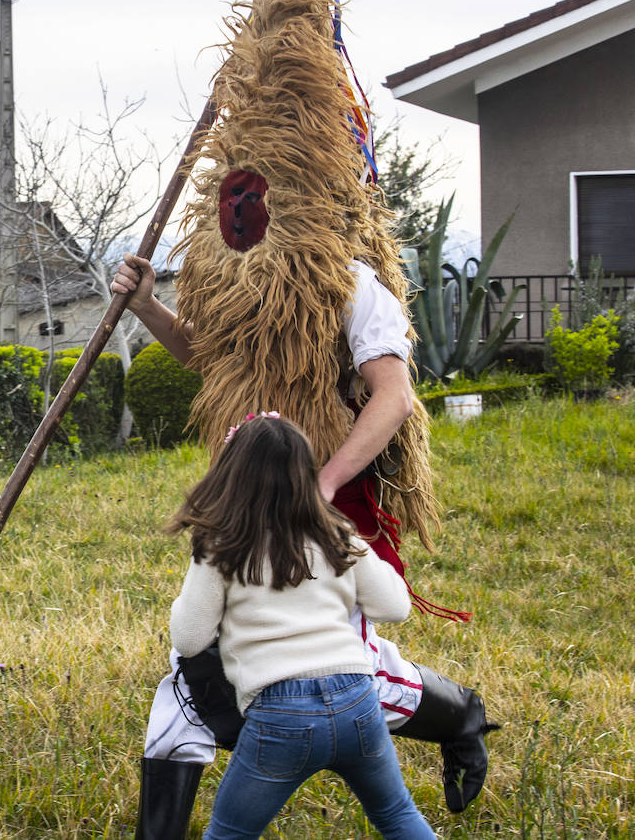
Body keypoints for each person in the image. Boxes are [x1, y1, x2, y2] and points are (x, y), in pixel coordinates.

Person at [116, 251, 494, 837]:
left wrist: (320, 489)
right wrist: (148, 306)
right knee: (191, 684)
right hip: (251, 501)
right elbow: (215, 364)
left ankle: (459, 715)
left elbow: (392, 396)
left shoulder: (351, 281)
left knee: (351, 669)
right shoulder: (234, 273)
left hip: (328, 500)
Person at [167, 413, 436, 840]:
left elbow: (190, 638)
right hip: (357, 699)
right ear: (305, 473)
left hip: (280, 712)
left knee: (229, 834)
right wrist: (352, 545)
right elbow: (394, 606)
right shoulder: (337, 535)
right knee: (398, 816)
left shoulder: (221, 545)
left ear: (230, 474)